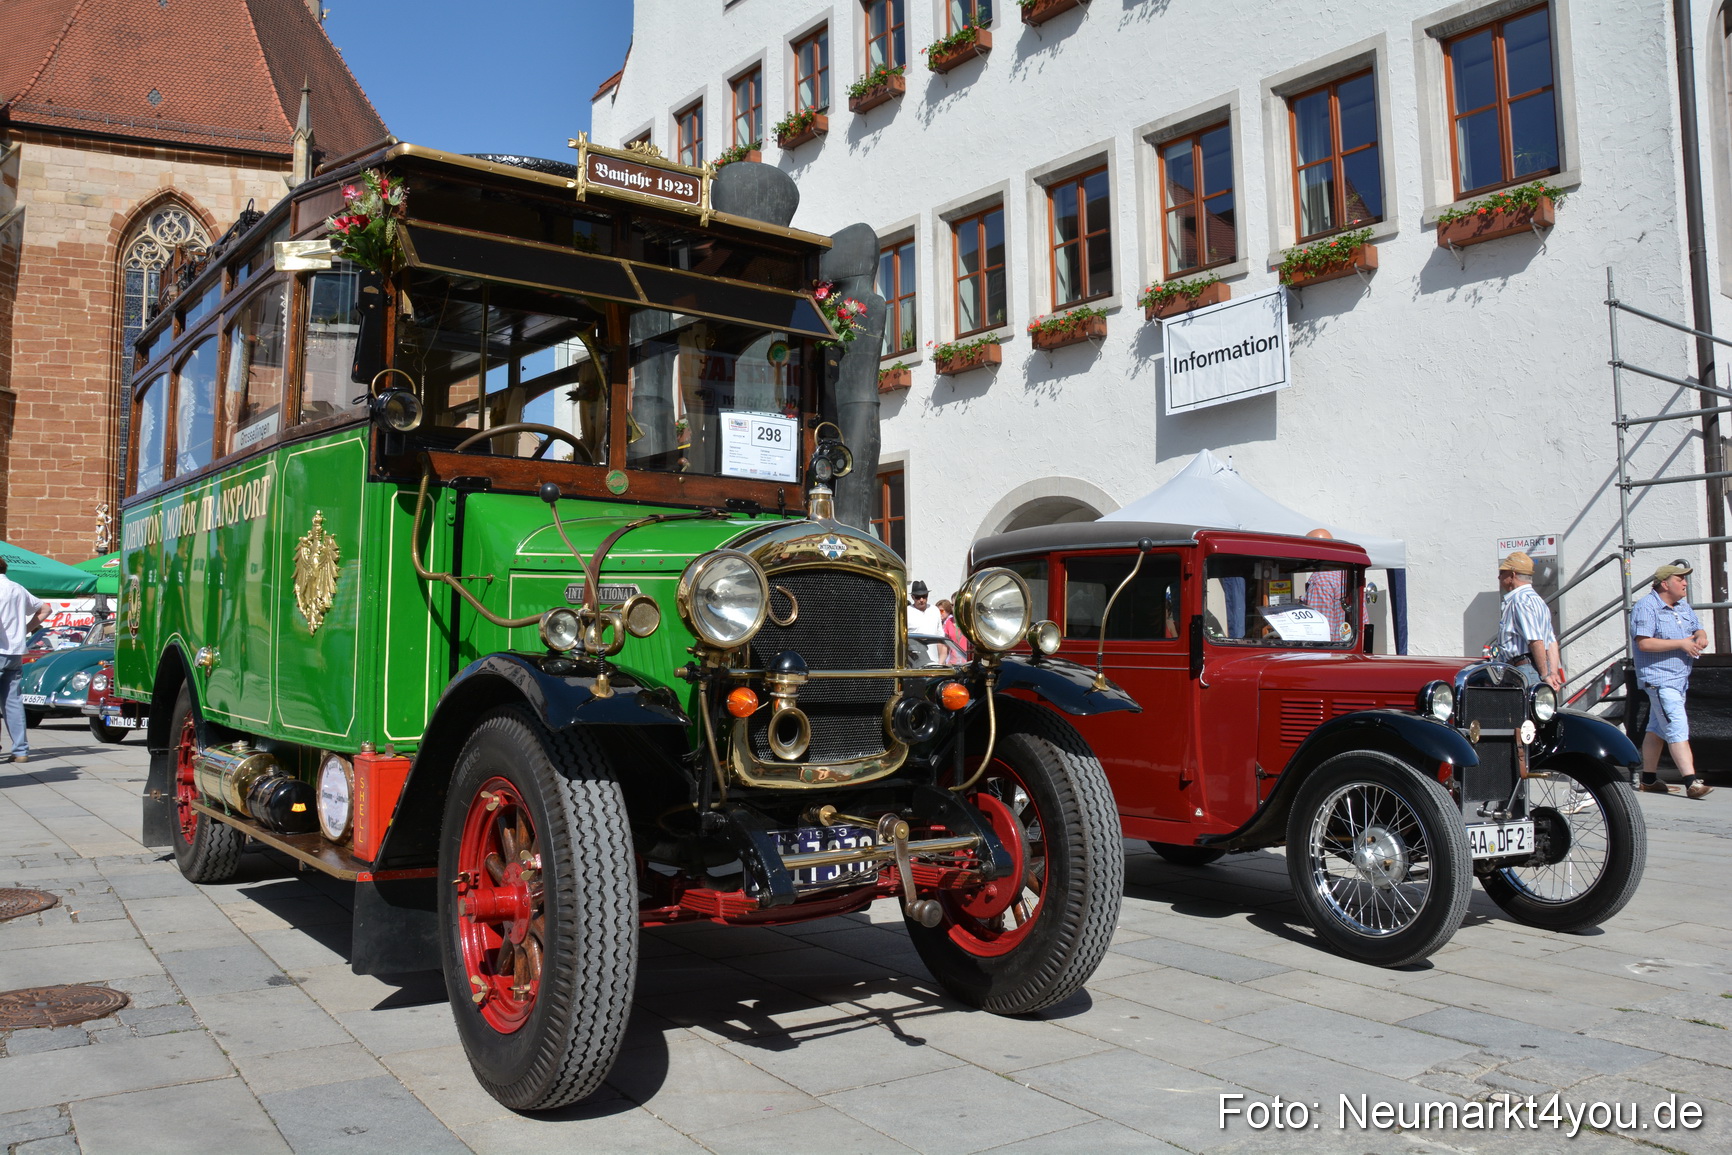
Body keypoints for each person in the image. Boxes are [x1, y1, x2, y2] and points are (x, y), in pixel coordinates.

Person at [1631, 560, 1713, 799]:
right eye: (1680, 579)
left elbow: (1698, 628)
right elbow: (1644, 643)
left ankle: (1648, 780)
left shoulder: (1682, 607)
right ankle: (1691, 782)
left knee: (1656, 729)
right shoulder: (1646, 607)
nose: (1685, 583)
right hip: (1659, 679)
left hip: (1679, 679)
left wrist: (1701, 636)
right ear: (1665, 584)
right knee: (1676, 725)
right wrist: (1681, 643)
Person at [0, 557, 49, 765]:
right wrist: (24, 631)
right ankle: (21, 750)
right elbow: (46, 609)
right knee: (12, 702)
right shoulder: (17, 588)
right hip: (15, 651)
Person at [1496, 551, 1564, 691]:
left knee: (1519, 712)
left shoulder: (1520, 601)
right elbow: (1551, 641)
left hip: (1523, 671)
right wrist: (1553, 673)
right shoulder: (1539, 601)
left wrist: (1546, 675)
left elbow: (1536, 641)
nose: (1499, 577)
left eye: (1502, 572)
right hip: (1533, 668)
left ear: (1512, 575)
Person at [1302, 528, 1349, 640]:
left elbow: (1319, 633)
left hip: (1333, 653)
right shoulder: (1346, 574)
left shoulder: (1320, 579)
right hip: (1349, 650)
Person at [906, 580, 944, 664]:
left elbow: (941, 639)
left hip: (934, 663)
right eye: (918, 597)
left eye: (924, 596)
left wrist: (941, 663)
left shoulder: (934, 610)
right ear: (912, 597)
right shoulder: (906, 612)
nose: (922, 599)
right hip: (914, 663)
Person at [936, 598, 970, 665]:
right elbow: (945, 647)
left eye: (957, 604)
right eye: (953, 605)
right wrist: (940, 664)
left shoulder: (970, 623)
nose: (954, 607)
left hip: (968, 664)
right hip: (953, 664)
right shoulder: (949, 622)